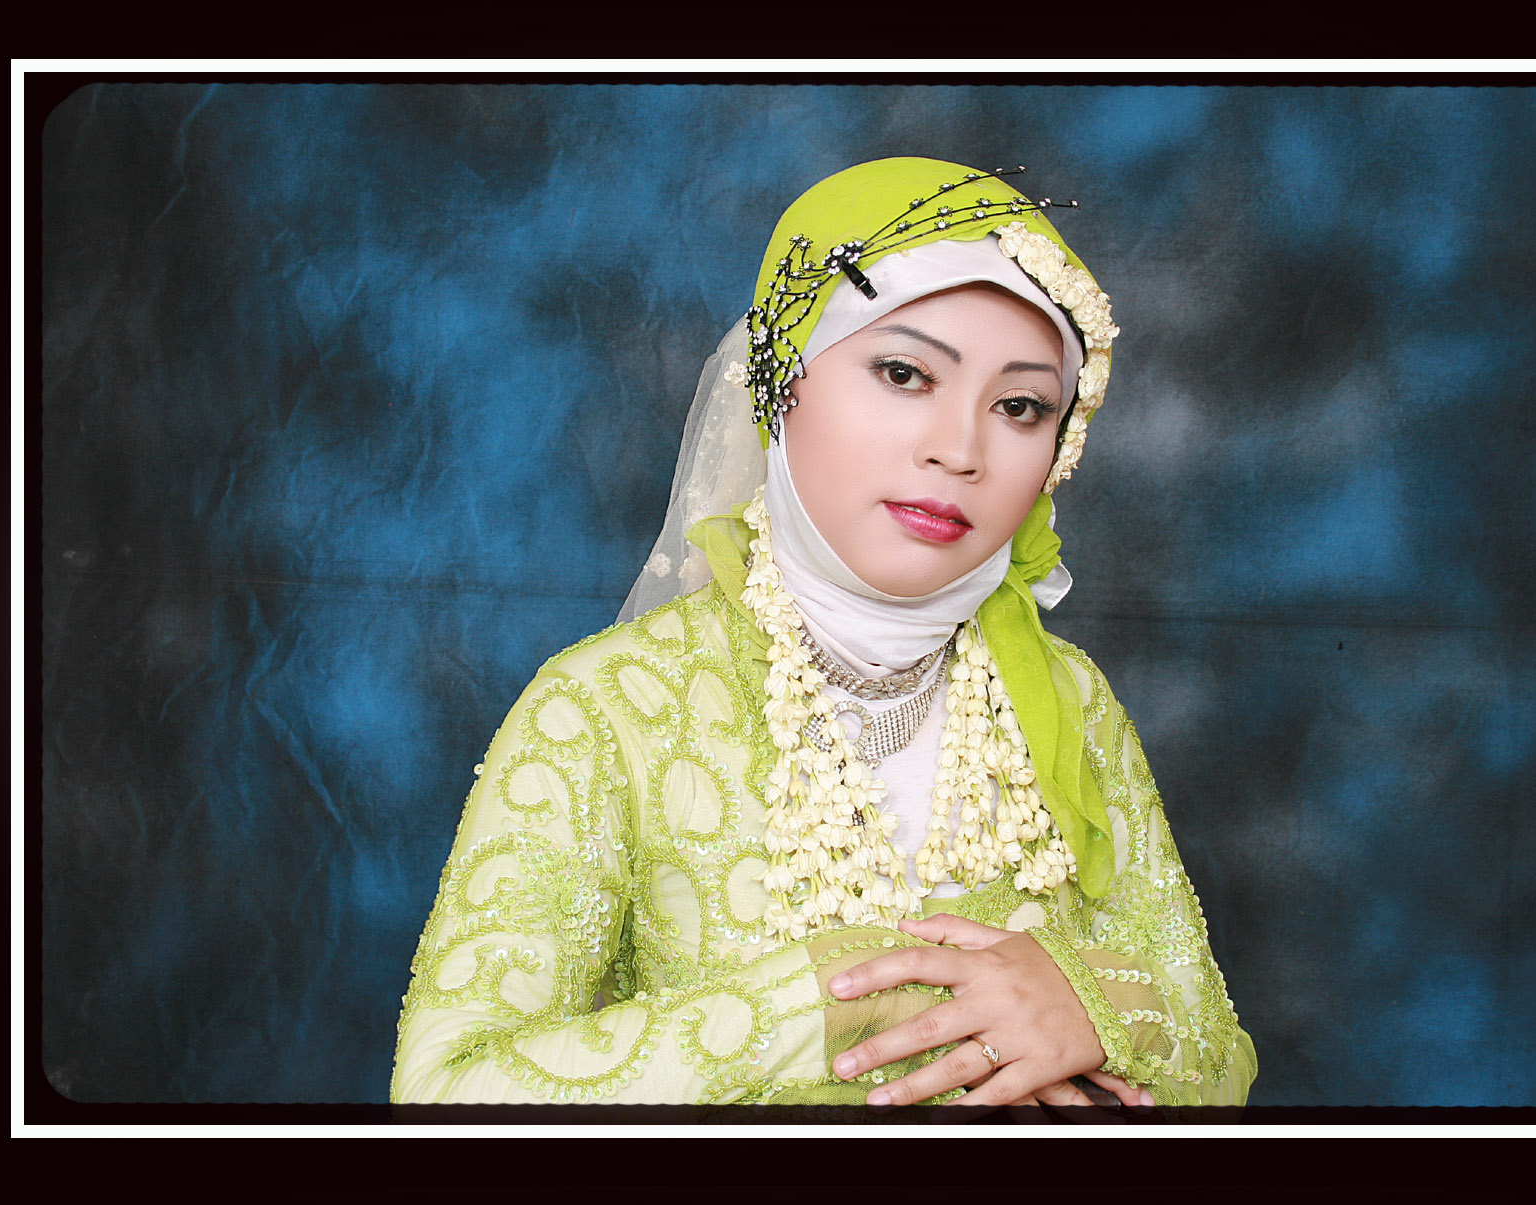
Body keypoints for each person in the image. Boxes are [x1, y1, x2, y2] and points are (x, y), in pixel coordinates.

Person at [390, 157, 1257, 1114]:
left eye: (1019, 407)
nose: (958, 450)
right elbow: (446, 1093)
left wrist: (1097, 1008)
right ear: (779, 385)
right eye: (903, 373)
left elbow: (1218, 1063)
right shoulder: (605, 708)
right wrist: (841, 1000)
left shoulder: (1067, 698)